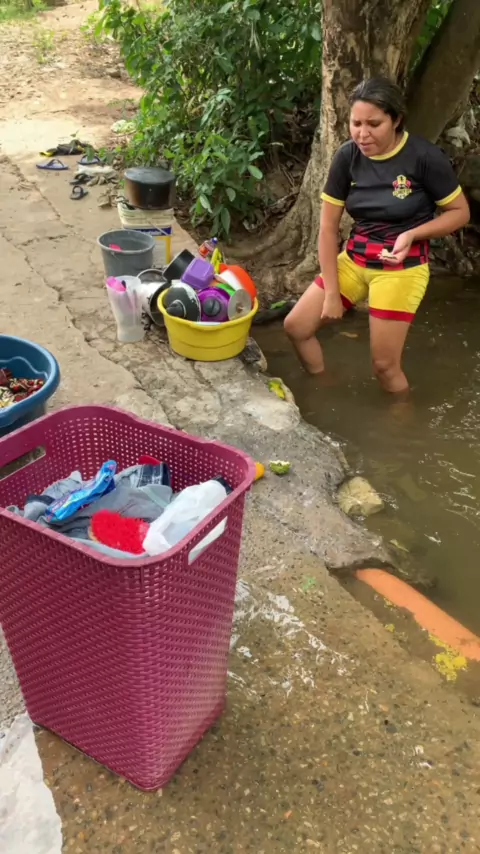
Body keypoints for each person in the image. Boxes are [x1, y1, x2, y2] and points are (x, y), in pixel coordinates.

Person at [284, 77, 470, 393]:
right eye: (356, 123)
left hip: (402, 269)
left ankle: (401, 419)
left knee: (384, 367)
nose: (362, 133)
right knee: (296, 327)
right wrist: (332, 294)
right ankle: (324, 388)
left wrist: (412, 234)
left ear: (396, 120)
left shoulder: (424, 157)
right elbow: (328, 229)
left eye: (374, 124)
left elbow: (460, 212)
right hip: (355, 259)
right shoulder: (347, 157)